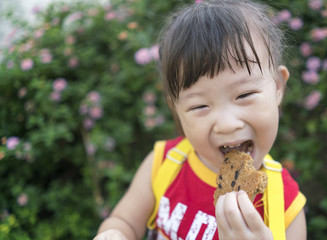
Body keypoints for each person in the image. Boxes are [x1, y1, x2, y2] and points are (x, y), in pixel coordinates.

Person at [94, 0, 307, 239]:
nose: (227, 123)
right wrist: (114, 233)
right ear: (177, 109)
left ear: (278, 87)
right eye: (199, 106)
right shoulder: (164, 164)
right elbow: (124, 222)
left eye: (244, 95)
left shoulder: (285, 206)